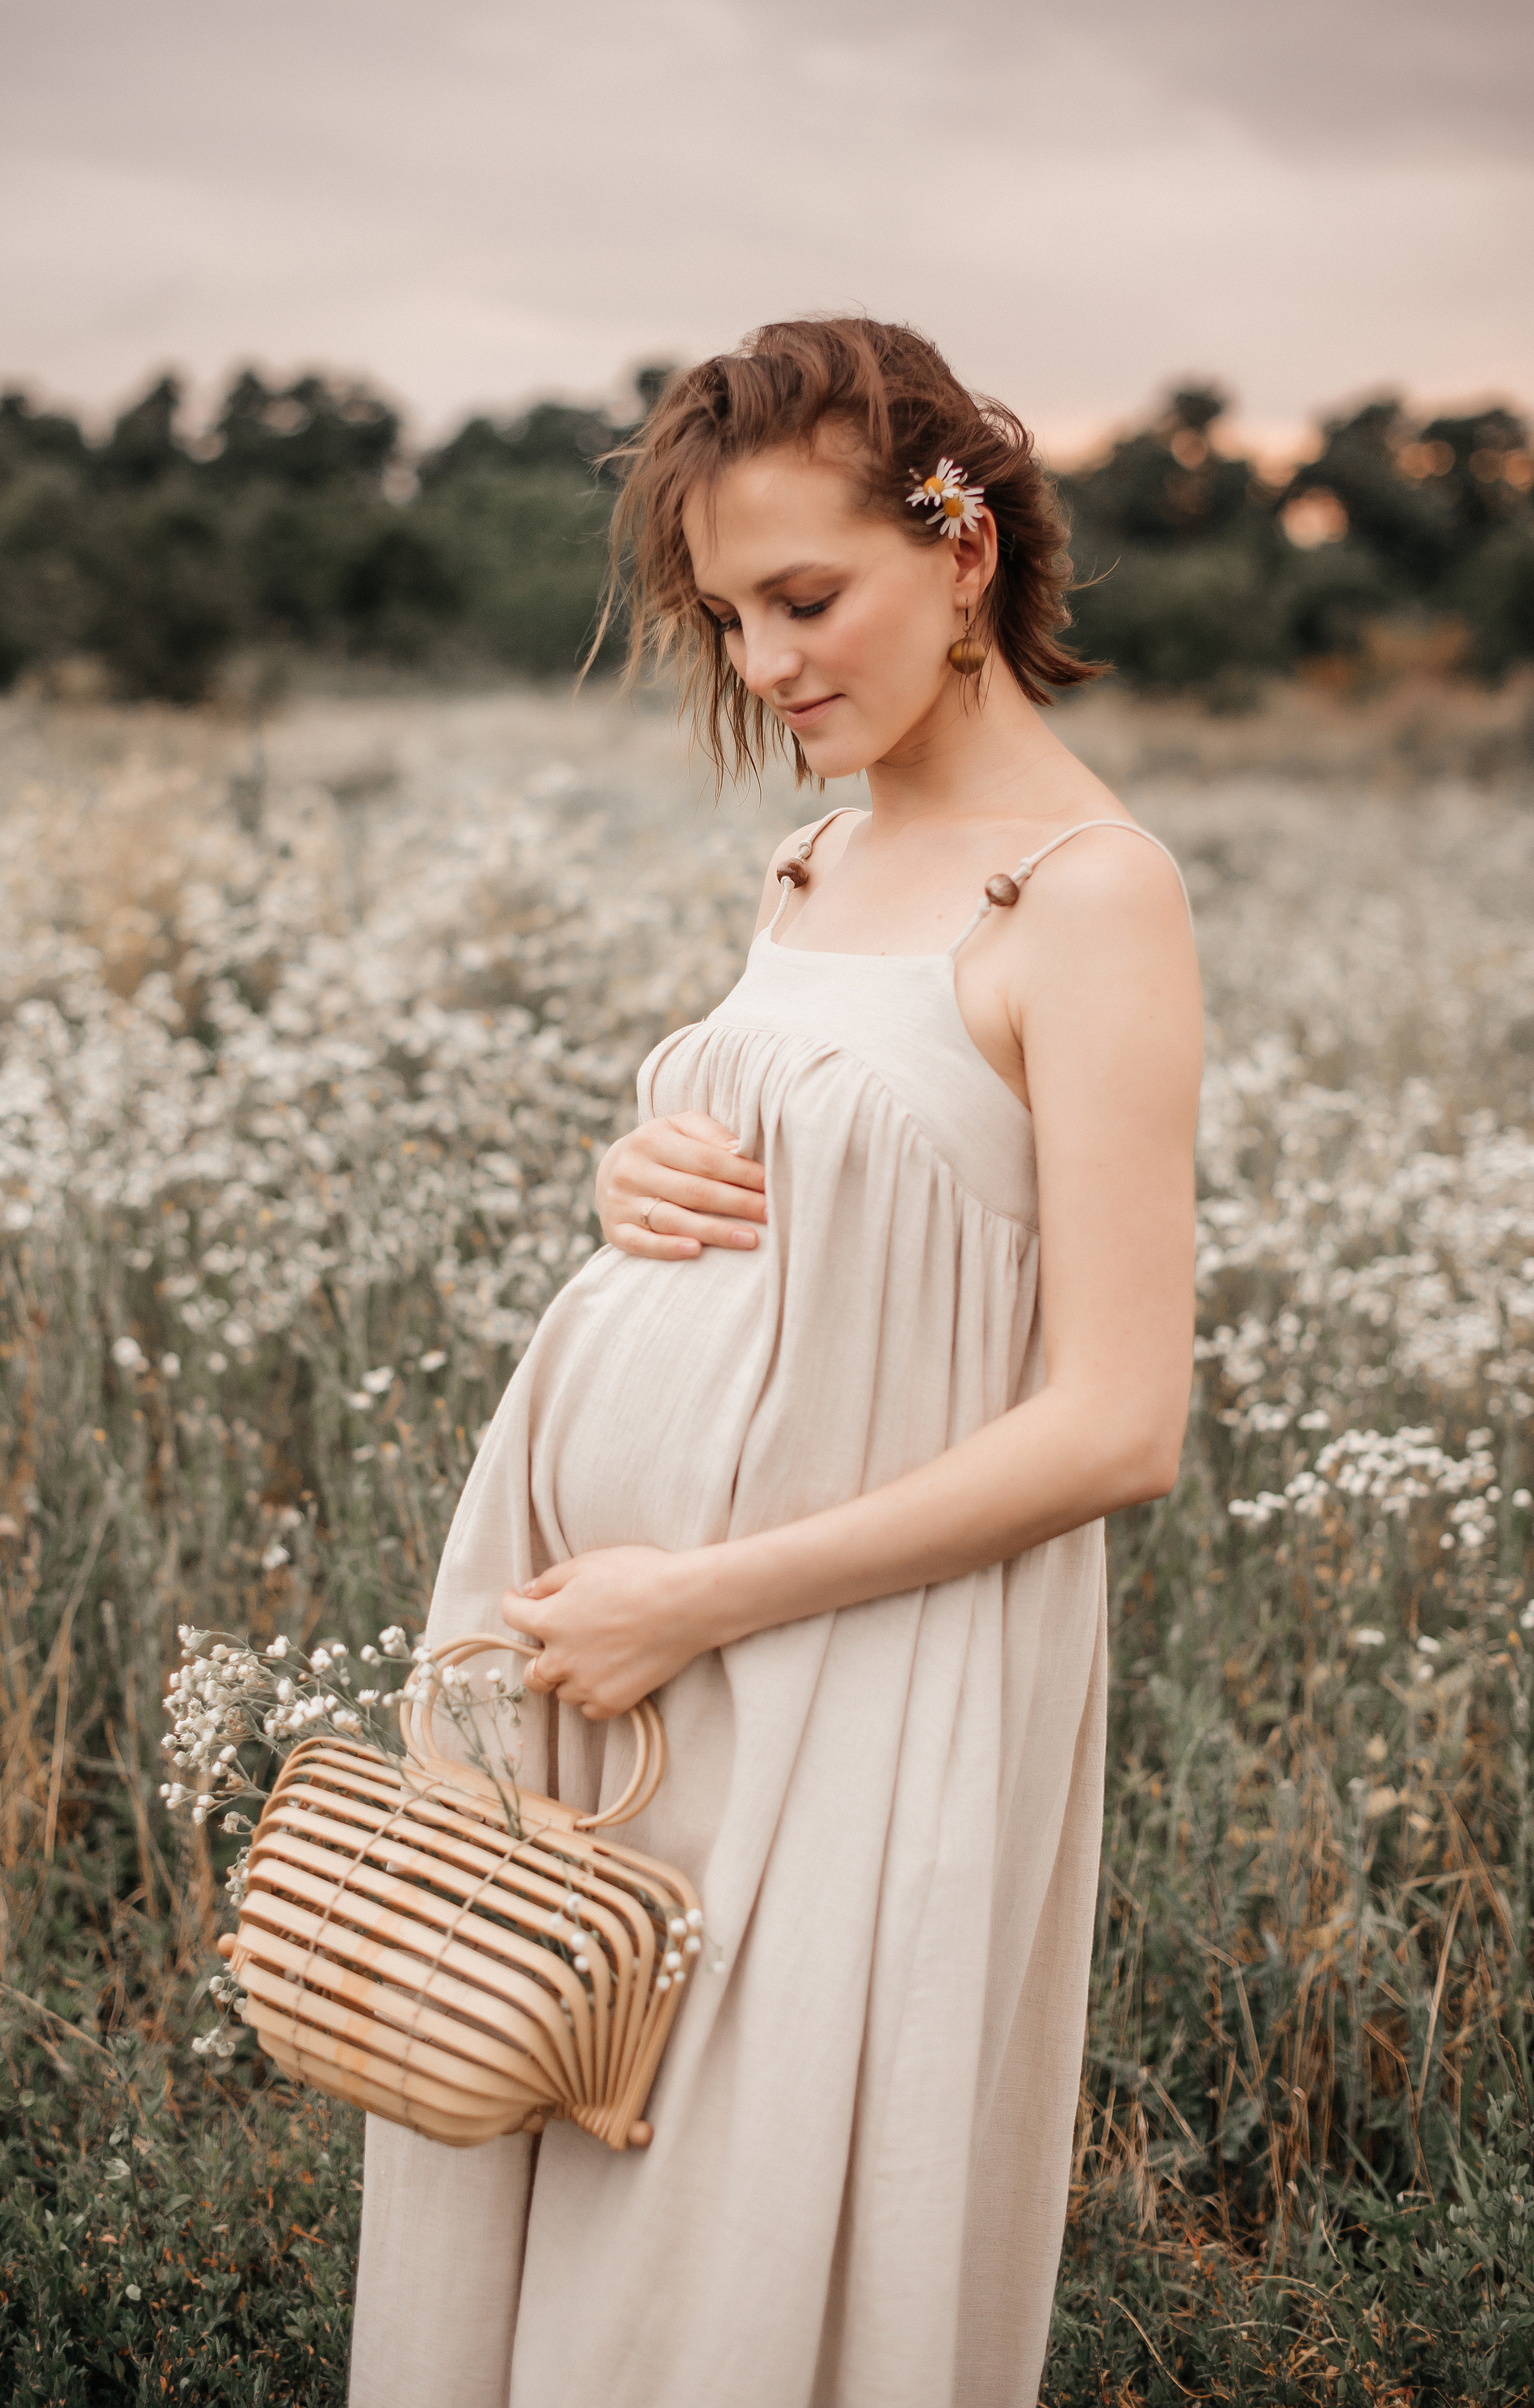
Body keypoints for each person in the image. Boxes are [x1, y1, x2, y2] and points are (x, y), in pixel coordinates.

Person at [349, 317, 1201, 2408]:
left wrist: (694, 1599)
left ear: (963, 547)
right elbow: (846, 1188)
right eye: (730, 617)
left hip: (848, 1683)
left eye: (806, 599)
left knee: (730, 2255)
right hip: (638, 1674)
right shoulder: (813, 861)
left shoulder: (1091, 899)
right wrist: (637, 1171)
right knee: (560, 2163)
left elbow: (1119, 1423)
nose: (764, 663)